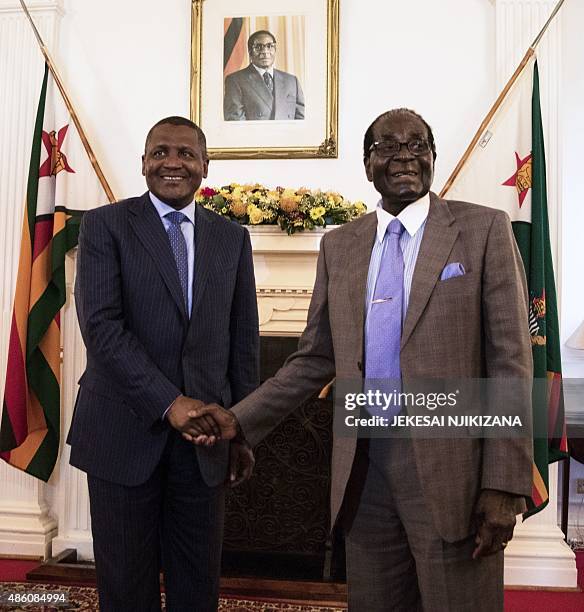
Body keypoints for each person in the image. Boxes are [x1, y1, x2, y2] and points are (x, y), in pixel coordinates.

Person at [187, 109, 534, 611]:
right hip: (363, 468)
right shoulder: (340, 245)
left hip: (450, 468)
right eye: (388, 148)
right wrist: (236, 421)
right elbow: (313, 358)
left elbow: (510, 362)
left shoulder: (483, 230)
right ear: (367, 164)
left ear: (433, 158)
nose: (404, 157)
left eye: (417, 145)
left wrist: (505, 483)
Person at [67, 116, 259, 611]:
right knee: (127, 588)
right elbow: (103, 330)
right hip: (122, 433)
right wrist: (169, 403)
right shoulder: (105, 225)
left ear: (205, 166)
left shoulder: (231, 237)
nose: (172, 162)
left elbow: (242, 343)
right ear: (144, 163)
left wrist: (241, 428)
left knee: (197, 587)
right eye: (160, 152)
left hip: (206, 443)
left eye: (186, 153)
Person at [224, 29, 305, 121]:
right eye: (258, 47)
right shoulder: (235, 80)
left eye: (270, 46)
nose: (265, 51)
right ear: (250, 52)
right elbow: (235, 120)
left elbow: (302, 119)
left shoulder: (291, 81)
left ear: (275, 50)